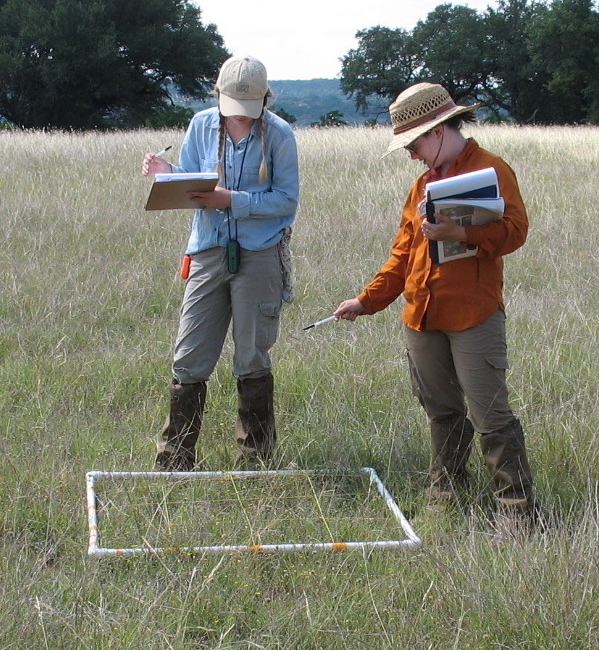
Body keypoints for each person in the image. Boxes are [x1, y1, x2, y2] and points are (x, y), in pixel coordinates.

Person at [334, 82, 537, 522]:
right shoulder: (421, 185)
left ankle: (516, 512)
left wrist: (462, 233)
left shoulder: (493, 169)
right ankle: (446, 497)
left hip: (473, 316)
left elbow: (516, 233)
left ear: (439, 130)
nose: (411, 153)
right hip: (421, 317)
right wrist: (365, 301)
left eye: (414, 142)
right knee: (442, 411)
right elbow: (402, 255)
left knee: (490, 414)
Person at [142, 55, 299, 470]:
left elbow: (287, 199)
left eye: (250, 112)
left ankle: (255, 461)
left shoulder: (280, 134)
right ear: (218, 95)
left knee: (251, 356)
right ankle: (175, 461)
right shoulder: (201, 124)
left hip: (260, 254)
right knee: (189, 357)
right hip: (208, 251)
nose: (242, 119)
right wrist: (166, 172)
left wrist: (233, 201)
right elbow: (191, 183)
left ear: (265, 99)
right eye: (234, 110)